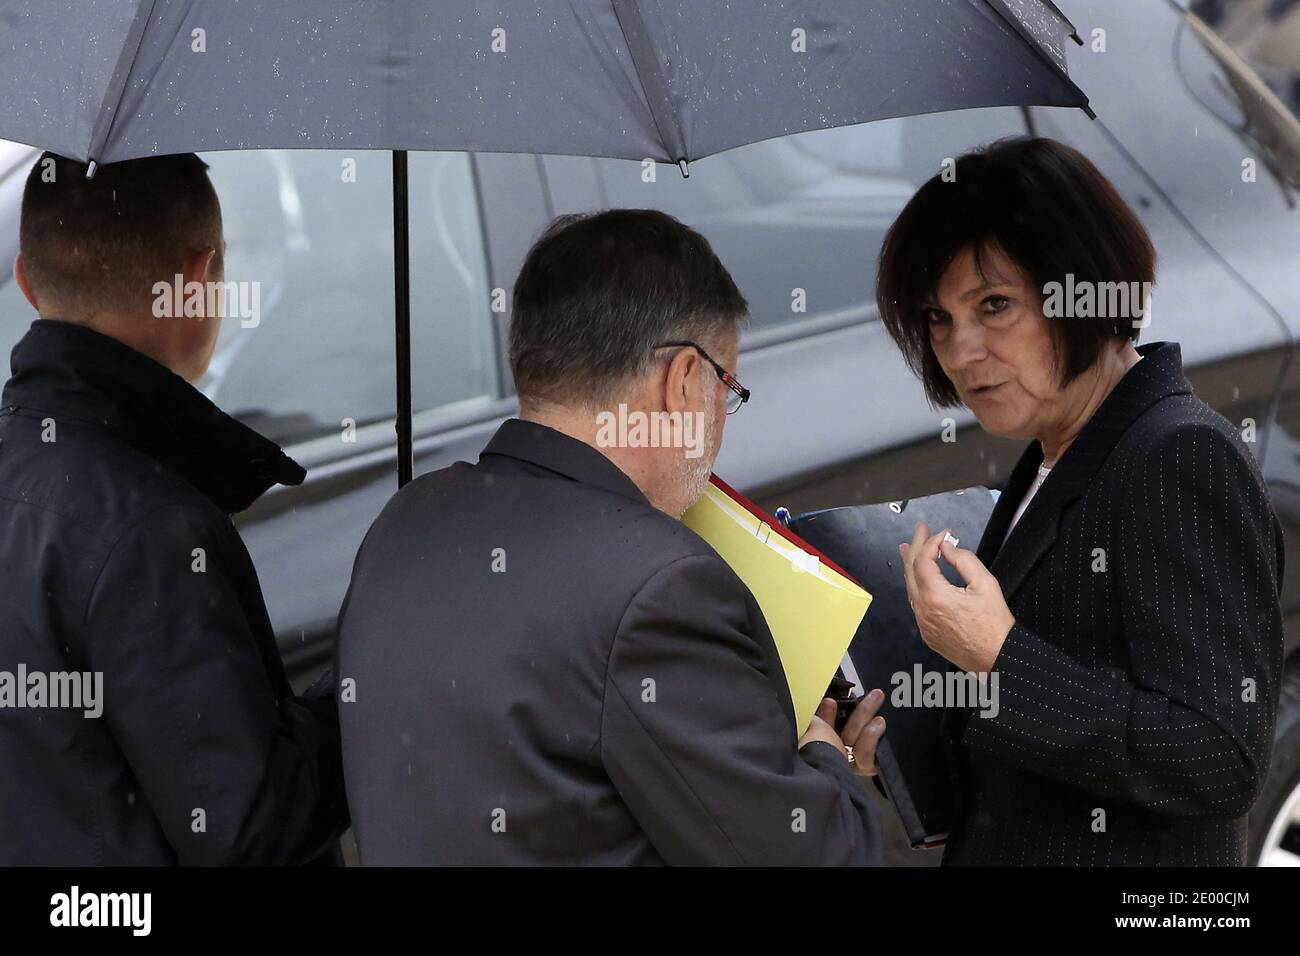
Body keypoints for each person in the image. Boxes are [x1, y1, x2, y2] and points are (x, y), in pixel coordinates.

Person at [338, 208, 885, 865]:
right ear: (684, 379)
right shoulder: (660, 589)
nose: (721, 420)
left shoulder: (406, 521)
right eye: (727, 388)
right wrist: (825, 755)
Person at [877, 136, 1284, 865]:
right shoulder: (1053, 450)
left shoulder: (1177, 456)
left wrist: (1000, 658)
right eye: (936, 318)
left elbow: (1220, 756)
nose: (961, 349)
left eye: (994, 305)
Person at [0, 152, 348, 865]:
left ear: (27, 282)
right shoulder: (151, 529)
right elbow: (248, 830)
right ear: (198, 283)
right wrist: (367, 682)